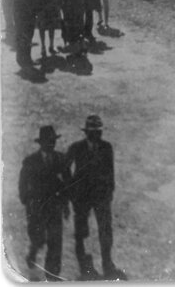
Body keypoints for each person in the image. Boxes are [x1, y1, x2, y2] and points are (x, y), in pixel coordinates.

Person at [66, 115, 125, 280]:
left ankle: (107, 263)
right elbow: (64, 168)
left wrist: (109, 191)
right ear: (87, 133)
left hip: (101, 197)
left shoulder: (107, 148)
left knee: (105, 231)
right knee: (81, 233)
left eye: (98, 132)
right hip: (82, 198)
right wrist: (72, 190)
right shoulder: (76, 148)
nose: (96, 135)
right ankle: (85, 267)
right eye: (93, 132)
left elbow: (110, 171)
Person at [19, 126, 71, 281]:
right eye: (48, 142)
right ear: (41, 143)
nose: (51, 144)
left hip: (54, 205)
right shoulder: (30, 161)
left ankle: (52, 275)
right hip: (36, 207)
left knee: (55, 241)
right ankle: (33, 251)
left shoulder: (61, 159)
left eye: (53, 141)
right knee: (38, 237)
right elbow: (22, 183)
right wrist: (26, 200)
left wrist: (66, 205)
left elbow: (67, 182)